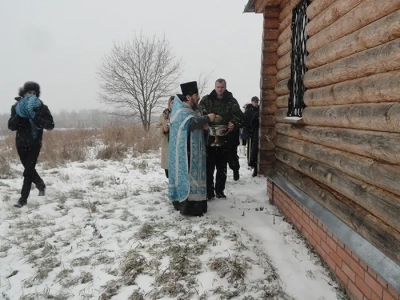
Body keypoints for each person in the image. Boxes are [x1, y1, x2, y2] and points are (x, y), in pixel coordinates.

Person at [168, 81, 216, 216]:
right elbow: (189, 124)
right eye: (196, 95)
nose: (199, 97)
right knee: (188, 177)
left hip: (195, 152)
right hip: (185, 152)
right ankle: (188, 207)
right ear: (188, 97)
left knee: (195, 177)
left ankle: (198, 205)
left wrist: (205, 127)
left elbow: (196, 124)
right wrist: (207, 118)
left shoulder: (192, 110)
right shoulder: (180, 110)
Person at [8, 81, 55, 208]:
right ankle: (40, 184)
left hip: (35, 143)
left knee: (28, 170)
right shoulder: (16, 108)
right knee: (29, 169)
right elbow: (11, 126)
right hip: (21, 143)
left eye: (34, 93)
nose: (32, 95)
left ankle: (23, 199)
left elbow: (50, 125)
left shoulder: (41, 107)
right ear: (24, 93)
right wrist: (20, 115)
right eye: (29, 92)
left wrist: (35, 116)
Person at [198, 78, 244, 199]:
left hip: (225, 140)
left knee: (222, 167)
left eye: (222, 87)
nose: (220, 89)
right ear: (215, 86)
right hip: (209, 139)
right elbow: (199, 113)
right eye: (218, 87)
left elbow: (240, 116)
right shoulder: (207, 100)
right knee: (208, 168)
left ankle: (220, 190)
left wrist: (233, 123)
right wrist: (205, 121)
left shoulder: (231, 101)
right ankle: (209, 191)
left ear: (225, 86)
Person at [156, 96, 174, 178]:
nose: (174, 105)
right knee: (169, 174)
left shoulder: (181, 116)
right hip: (167, 147)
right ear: (169, 104)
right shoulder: (163, 116)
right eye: (172, 103)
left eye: (176, 103)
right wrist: (163, 128)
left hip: (178, 148)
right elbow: (156, 132)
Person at [243, 96, 260, 177]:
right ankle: (250, 162)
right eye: (255, 101)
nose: (256, 103)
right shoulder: (248, 111)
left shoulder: (259, 110)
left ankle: (254, 163)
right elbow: (245, 122)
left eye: (257, 101)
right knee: (250, 148)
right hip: (251, 132)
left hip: (258, 132)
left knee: (255, 149)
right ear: (252, 102)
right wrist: (247, 131)